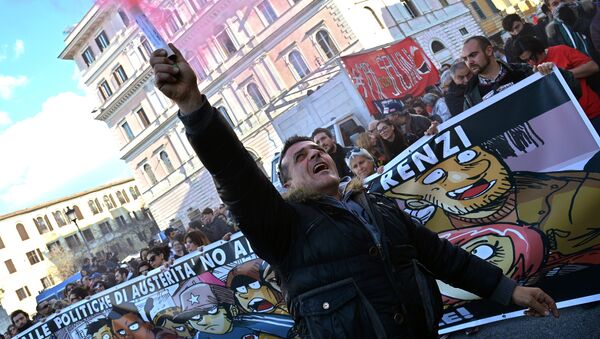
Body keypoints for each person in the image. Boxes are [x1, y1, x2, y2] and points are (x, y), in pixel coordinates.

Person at [151, 44, 560, 338]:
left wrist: (509, 290)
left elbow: (440, 256)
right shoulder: (283, 225)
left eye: (317, 149)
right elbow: (235, 172)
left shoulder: (377, 207)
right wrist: (193, 105)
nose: (314, 154)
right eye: (300, 157)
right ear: (288, 184)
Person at [461, 35, 580, 109]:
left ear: (489, 50)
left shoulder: (524, 71)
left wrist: (554, 74)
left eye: (473, 55)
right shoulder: (471, 97)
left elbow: (575, 90)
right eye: (465, 59)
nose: (469, 62)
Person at [514, 35, 600, 130]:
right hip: (568, 123)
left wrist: (561, 74)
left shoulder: (561, 50)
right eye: (526, 61)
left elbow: (593, 67)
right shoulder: (532, 70)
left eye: (532, 57)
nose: (531, 62)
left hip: (591, 111)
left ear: (537, 49)